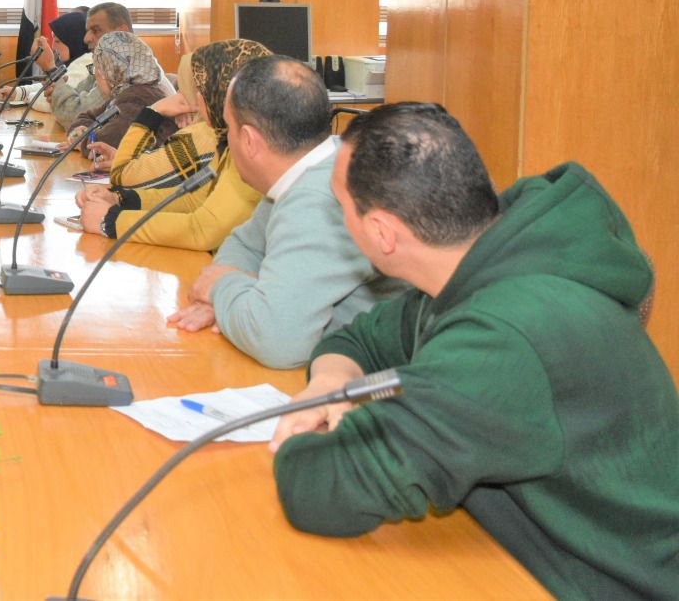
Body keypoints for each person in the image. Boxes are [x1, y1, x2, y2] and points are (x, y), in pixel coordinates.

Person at [270, 103, 679, 598]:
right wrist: (332, 382)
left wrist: (298, 435)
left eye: (340, 208)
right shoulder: (480, 263)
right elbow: (359, 340)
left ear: (381, 232)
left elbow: (321, 486)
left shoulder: (504, 339)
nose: (339, 222)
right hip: (534, 555)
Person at [164, 56, 406, 368]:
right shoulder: (315, 164)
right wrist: (233, 299)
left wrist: (222, 289)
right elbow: (244, 244)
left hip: (376, 377)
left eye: (229, 127)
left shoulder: (318, 199)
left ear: (249, 140)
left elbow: (277, 342)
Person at [77, 39, 268, 251]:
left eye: (201, 88)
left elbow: (202, 229)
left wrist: (112, 221)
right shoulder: (229, 140)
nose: (195, 97)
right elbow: (194, 200)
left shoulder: (249, 149)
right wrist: (120, 199)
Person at [65, 31, 176, 150]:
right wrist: (81, 130)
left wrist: (81, 140)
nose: (95, 75)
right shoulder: (129, 89)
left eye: (96, 67)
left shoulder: (137, 98)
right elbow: (87, 117)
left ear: (109, 70)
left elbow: (109, 142)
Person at [46, 2, 134, 129]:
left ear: (121, 32)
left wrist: (57, 87)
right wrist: (58, 95)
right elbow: (73, 102)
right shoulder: (106, 65)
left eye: (95, 30)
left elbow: (72, 117)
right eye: (87, 31)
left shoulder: (128, 70)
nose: (86, 38)